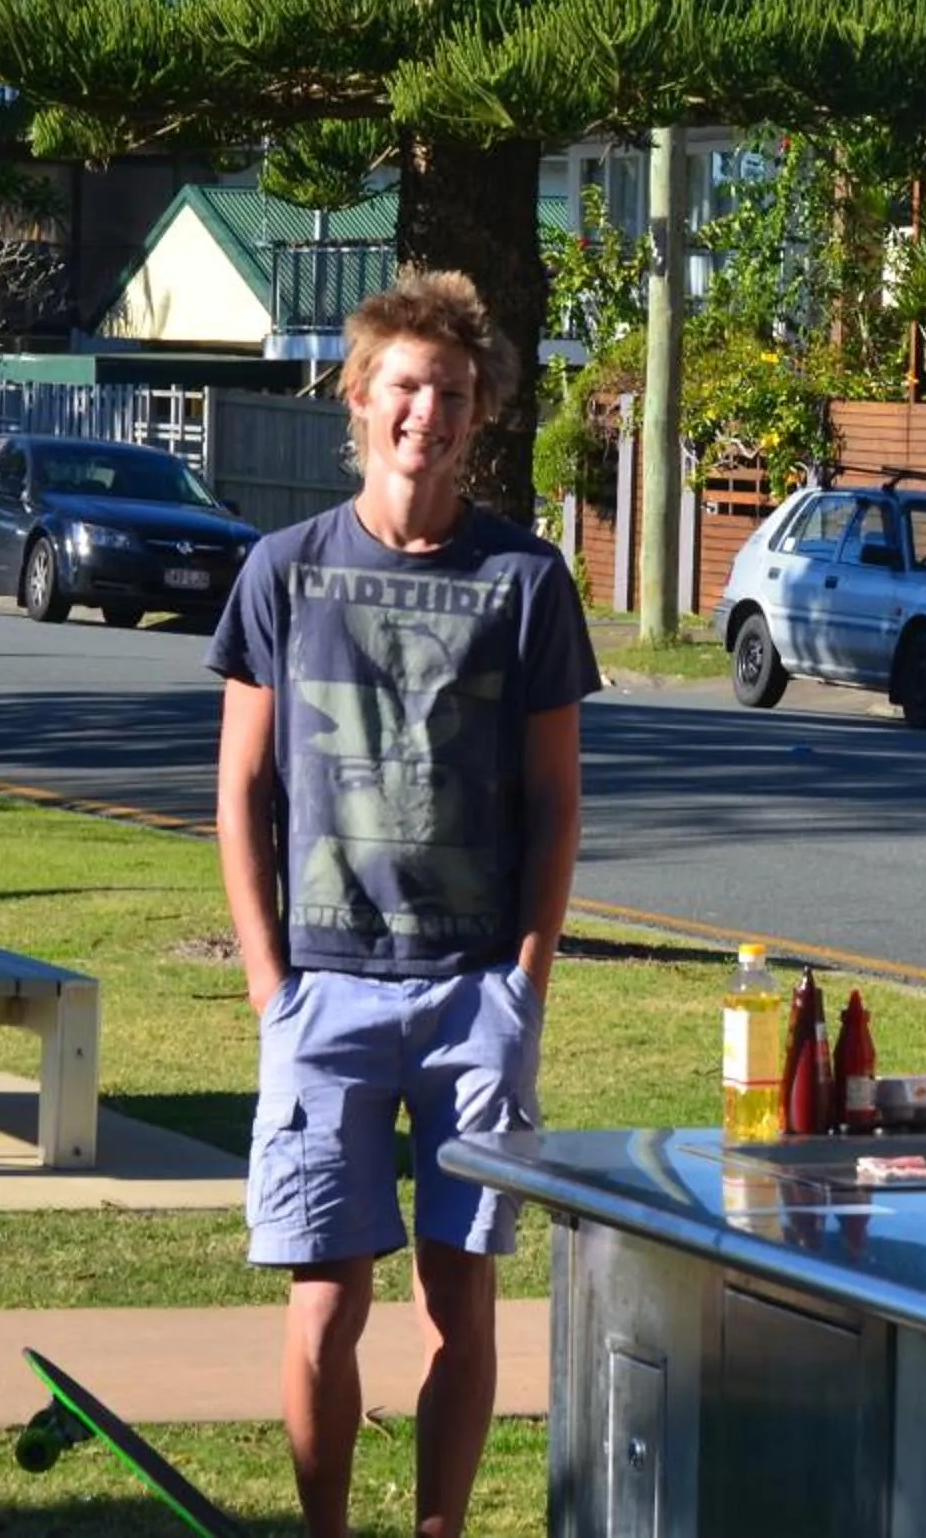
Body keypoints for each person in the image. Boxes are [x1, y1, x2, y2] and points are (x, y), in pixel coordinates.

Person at [209, 269, 599, 1538]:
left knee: (462, 1300)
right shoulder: (282, 571)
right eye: (404, 385)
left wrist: (525, 979)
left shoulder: (527, 578)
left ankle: (438, 1528)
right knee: (324, 1299)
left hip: (471, 989)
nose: (426, 409)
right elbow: (242, 793)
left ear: (476, 413)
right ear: (361, 398)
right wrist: (274, 985)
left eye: (451, 390)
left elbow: (554, 803)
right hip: (323, 986)